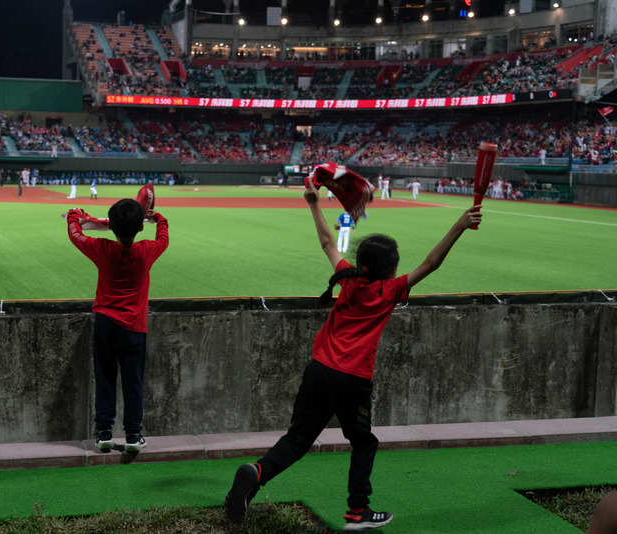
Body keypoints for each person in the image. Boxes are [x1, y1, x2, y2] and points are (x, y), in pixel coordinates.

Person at [224, 180, 483, 532]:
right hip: (353, 379)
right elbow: (432, 263)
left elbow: (327, 241)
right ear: (391, 271)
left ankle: (256, 473)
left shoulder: (347, 280)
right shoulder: (391, 289)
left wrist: (314, 203)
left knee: (297, 439)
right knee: (363, 441)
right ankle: (357, 512)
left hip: (318, 370)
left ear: (361, 263)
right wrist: (459, 225)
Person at [65, 198, 169, 452]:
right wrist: (158, 218)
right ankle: (133, 435)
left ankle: (104, 433)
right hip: (134, 327)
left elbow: (75, 233)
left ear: (111, 227)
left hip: (105, 324)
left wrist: (73, 214)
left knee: (105, 377)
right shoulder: (146, 250)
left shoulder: (102, 248)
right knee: (133, 381)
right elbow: (164, 237)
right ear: (139, 227)